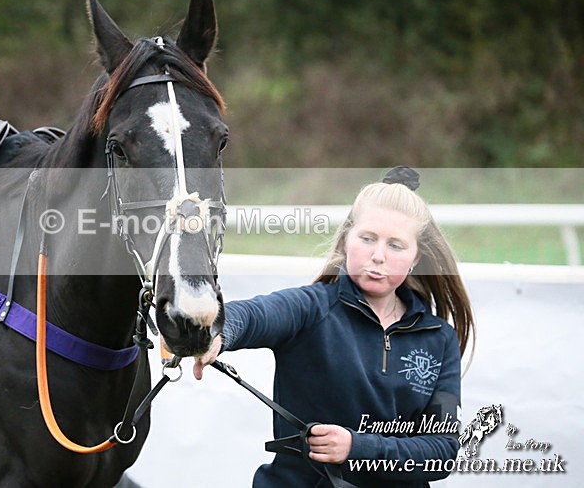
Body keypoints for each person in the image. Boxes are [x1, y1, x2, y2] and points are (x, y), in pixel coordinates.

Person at [194, 166, 474, 487]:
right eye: (367, 239)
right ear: (345, 241)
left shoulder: (439, 338)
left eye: (395, 245)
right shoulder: (311, 307)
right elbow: (253, 315)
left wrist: (357, 447)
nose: (378, 256)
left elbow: (442, 451)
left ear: (415, 258)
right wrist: (214, 331)